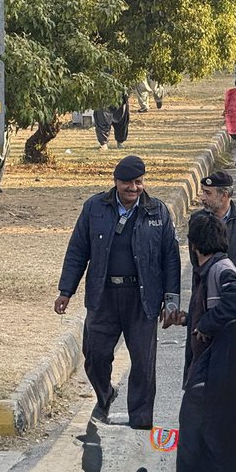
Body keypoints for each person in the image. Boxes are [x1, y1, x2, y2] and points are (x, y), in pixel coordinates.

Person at [55, 155, 181, 429]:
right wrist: (66, 289)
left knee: (143, 363)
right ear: (116, 183)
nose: (134, 188)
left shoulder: (157, 211)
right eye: (127, 183)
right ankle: (105, 394)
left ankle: (140, 417)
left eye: (139, 182)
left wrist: (171, 300)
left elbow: (170, 258)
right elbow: (78, 250)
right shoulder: (94, 208)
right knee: (95, 355)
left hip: (142, 298)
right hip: (104, 296)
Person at [177, 211, 236, 472]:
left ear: (194, 245)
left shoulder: (220, 268)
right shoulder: (211, 269)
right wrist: (189, 319)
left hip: (215, 375)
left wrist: (206, 324)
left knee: (194, 448)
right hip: (213, 374)